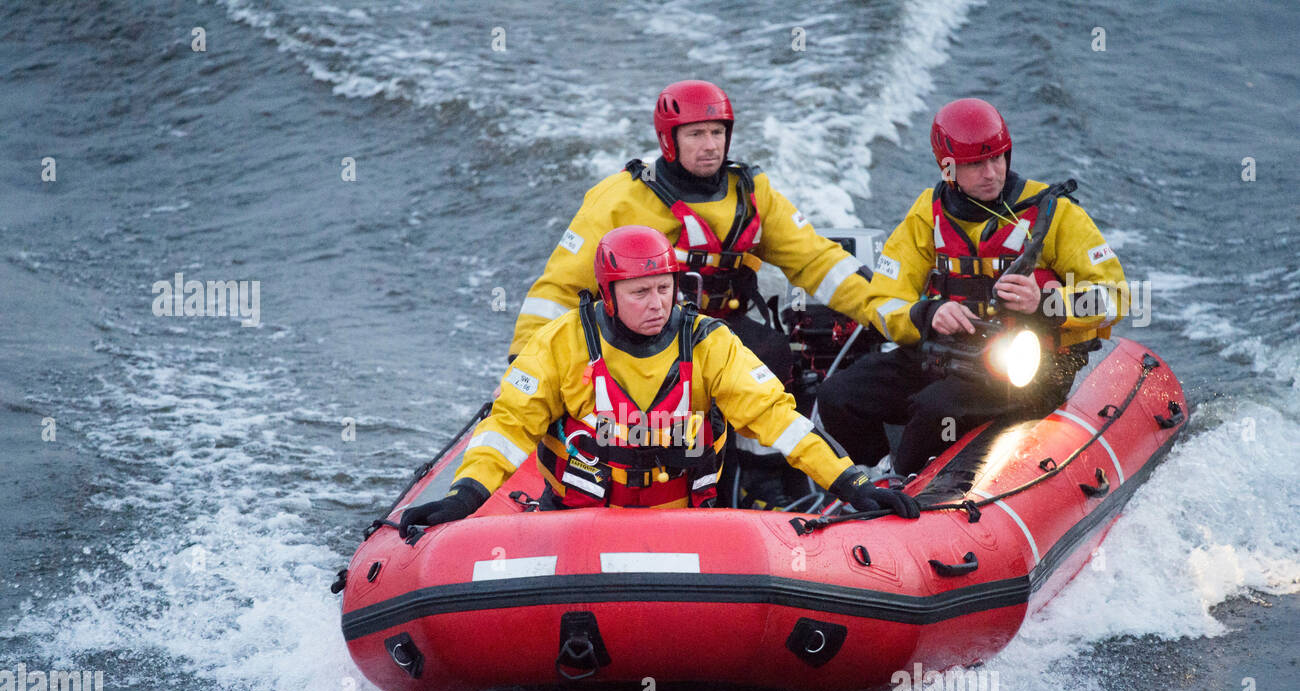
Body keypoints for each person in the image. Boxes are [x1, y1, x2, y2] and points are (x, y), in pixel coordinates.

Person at [506, 79, 918, 507]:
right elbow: (559, 287)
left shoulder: (752, 195)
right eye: (696, 134)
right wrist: (522, 362)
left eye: (717, 133)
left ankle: (759, 483)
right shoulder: (621, 199)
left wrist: (898, 316)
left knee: (769, 353)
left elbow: (816, 261)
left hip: (719, 333)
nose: (710, 146)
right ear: (670, 141)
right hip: (639, 332)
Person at [400, 226, 919, 532]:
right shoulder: (562, 343)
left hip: (686, 528)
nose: (657, 304)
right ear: (608, 296)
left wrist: (850, 483)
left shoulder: (709, 342)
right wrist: (465, 497)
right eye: (639, 292)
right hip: (574, 527)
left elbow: (779, 422)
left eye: (664, 289)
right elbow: (510, 425)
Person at [817, 97, 1128, 478]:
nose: (991, 173)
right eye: (975, 164)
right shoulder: (926, 214)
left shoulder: (1055, 214)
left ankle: (906, 482)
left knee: (934, 409)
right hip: (952, 355)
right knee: (839, 397)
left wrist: (1046, 303)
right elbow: (882, 300)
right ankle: (875, 476)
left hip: (1026, 369)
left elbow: (1117, 296)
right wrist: (927, 313)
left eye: (997, 158)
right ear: (948, 169)